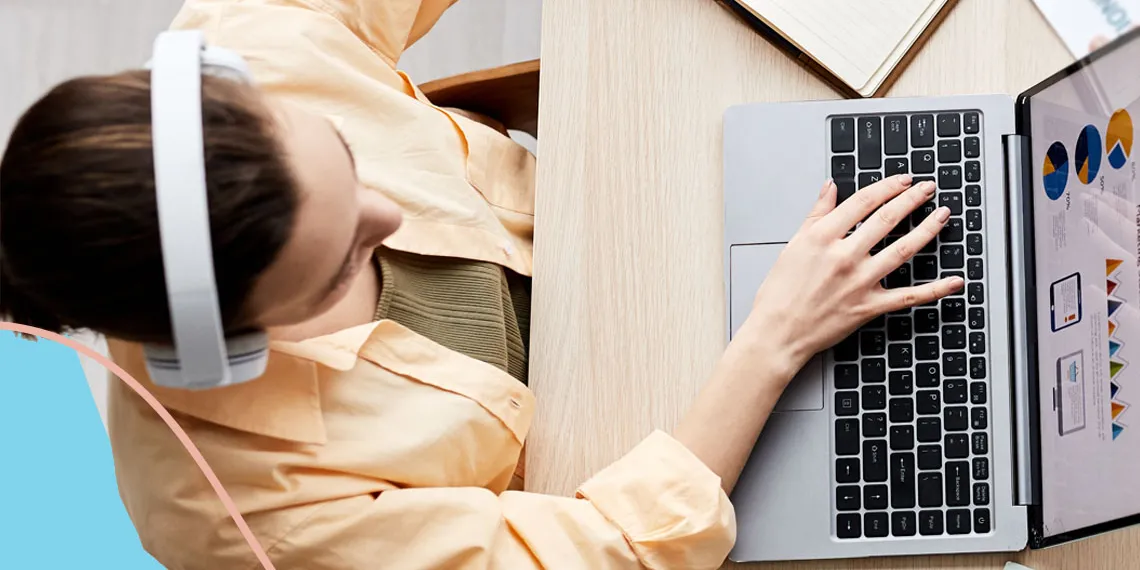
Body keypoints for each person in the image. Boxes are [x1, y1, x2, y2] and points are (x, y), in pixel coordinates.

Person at [0, 0, 961, 568]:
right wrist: (775, 337)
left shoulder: (258, 38)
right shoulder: (241, 515)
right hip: (676, 420)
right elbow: (603, 553)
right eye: (337, 265)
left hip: (648, 216)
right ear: (232, 344)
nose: (387, 221)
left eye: (346, 156)